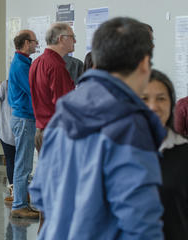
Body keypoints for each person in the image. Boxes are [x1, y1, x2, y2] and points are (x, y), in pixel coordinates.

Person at [29, 17, 165, 239]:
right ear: (143, 63)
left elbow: (40, 192)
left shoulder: (65, 111)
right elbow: (140, 218)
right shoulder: (131, 122)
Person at [141, 69, 188, 240]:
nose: (153, 106)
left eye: (161, 98)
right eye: (144, 99)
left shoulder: (184, 152)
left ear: (171, 103)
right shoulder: (117, 151)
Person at [7, 30, 39, 218]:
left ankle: (22, 201)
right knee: (23, 164)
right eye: (35, 42)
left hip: (25, 118)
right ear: (27, 43)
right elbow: (33, 89)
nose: (37, 45)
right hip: (24, 118)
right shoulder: (20, 65)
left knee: (24, 163)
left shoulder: (24, 62)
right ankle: (19, 204)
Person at [29, 22, 75, 152]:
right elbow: (63, 104)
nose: (75, 41)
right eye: (72, 36)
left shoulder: (37, 62)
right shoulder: (56, 66)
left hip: (41, 131)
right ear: (61, 39)